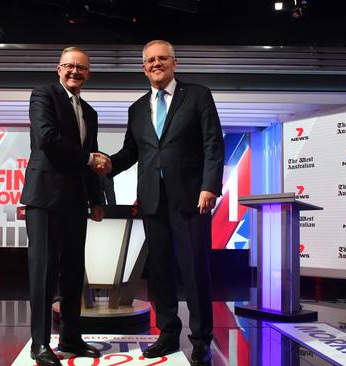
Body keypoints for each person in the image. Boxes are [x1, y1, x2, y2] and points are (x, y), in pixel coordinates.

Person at [108, 40, 224, 365]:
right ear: (144, 68)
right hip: (152, 201)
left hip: (191, 199)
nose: (156, 64)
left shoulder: (198, 95)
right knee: (159, 272)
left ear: (175, 63)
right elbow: (132, 152)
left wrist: (209, 186)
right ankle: (168, 333)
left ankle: (201, 340)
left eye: (162, 58)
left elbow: (213, 142)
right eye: (150, 60)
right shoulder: (137, 108)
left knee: (194, 270)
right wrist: (105, 164)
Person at [20, 46, 111, 366]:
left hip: (75, 201)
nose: (75, 72)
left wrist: (97, 200)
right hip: (44, 198)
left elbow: (93, 159)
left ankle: (71, 337)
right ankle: (40, 343)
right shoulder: (43, 95)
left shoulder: (90, 112)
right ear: (59, 69)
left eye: (82, 68)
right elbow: (47, 137)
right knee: (43, 271)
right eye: (70, 66)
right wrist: (89, 158)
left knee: (73, 273)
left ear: (88, 74)